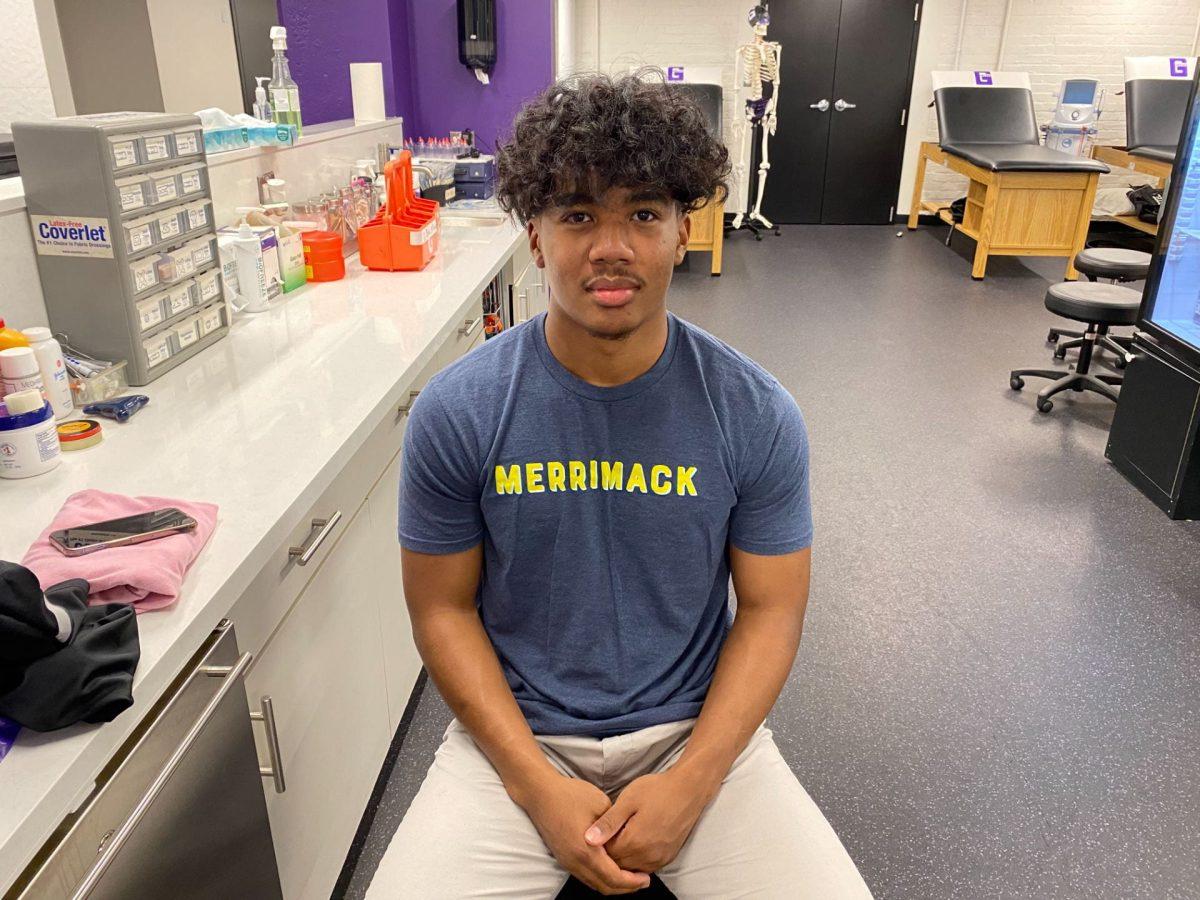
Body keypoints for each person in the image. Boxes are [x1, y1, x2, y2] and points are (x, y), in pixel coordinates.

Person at [367, 70, 872, 899]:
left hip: (694, 733)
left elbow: (774, 610)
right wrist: (534, 784)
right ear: (534, 236)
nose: (611, 246)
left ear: (682, 231)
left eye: (643, 213)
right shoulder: (460, 412)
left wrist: (695, 779)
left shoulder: (754, 412)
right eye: (577, 215)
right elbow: (442, 610)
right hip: (516, 738)